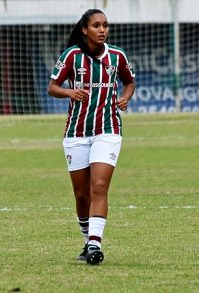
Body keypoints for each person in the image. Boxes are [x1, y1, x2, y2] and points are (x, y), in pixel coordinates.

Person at [47, 9, 135, 265]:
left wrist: (125, 98)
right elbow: (52, 87)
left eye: (105, 25)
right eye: (96, 25)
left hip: (108, 130)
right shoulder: (72, 56)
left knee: (99, 187)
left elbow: (129, 82)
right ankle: (87, 240)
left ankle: (95, 245)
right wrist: (69, 93)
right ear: (84, 30)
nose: (102, 30)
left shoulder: (117, 56)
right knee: (81, 195)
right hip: (76, 132)